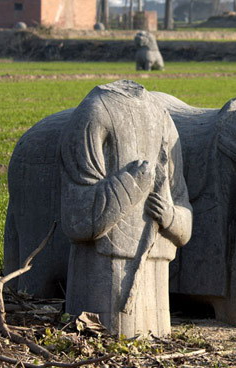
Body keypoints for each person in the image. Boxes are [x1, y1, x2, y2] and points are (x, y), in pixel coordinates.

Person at [60, 80, 192, 337]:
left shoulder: (162, 117)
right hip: (108, 274)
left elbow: (182, 212)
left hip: (156, 269)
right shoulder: (95, 113)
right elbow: (77, 219)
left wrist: (170, 215)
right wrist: (129, 185)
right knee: (109, 332)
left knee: (154, 335)